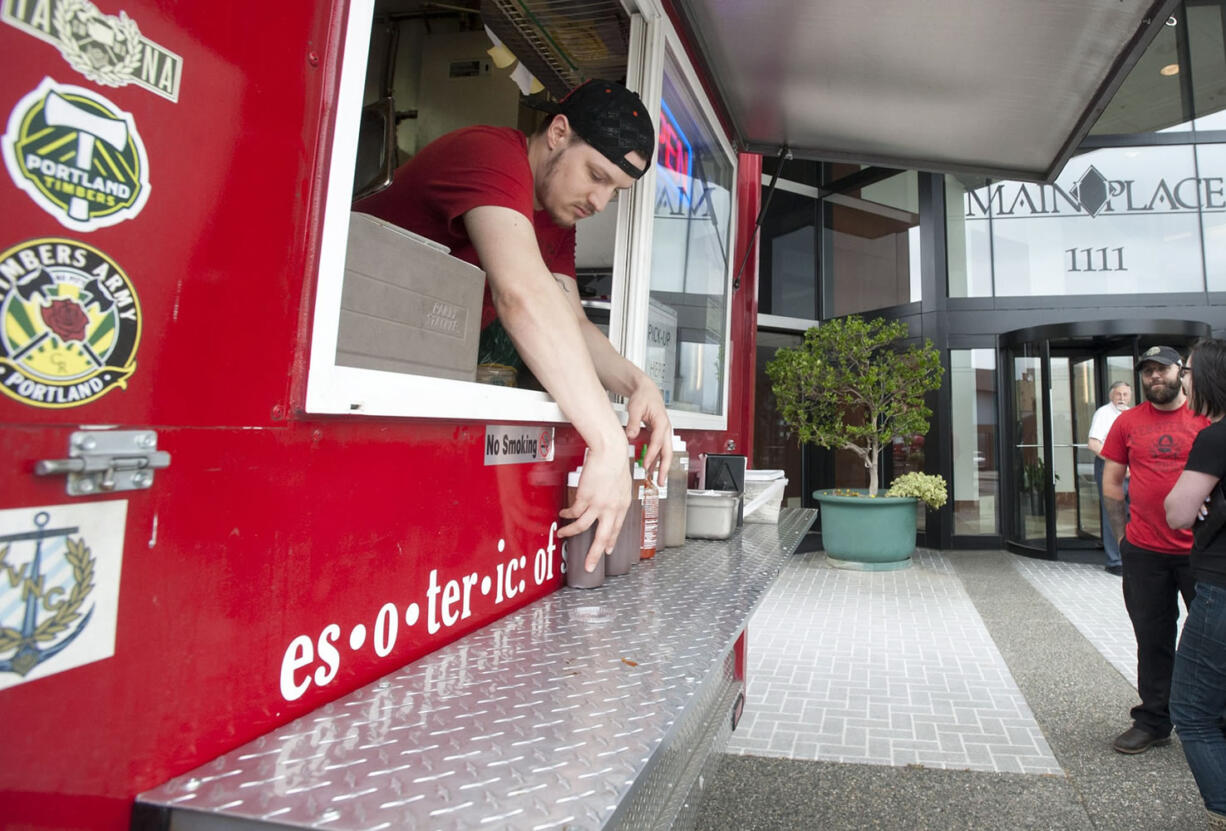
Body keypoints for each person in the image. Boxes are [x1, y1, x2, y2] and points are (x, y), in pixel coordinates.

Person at [357, 80, 671, 571]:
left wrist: (638, 384)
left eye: (616, 190)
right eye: (595, 175)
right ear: (558, 133)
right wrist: (608, 442)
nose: (600, 201)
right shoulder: (489, 154)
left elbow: (569, 322)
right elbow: (522, 296)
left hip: (403, 385)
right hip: (338, 360)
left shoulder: (556, 221)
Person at [1101, 345, 1210, 754]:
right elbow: (1112, 482)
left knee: (1211, 639)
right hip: (1145, 551)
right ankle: (1153, 720)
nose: (1154, 378)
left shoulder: (1206, 418)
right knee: (1153, 637)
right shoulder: (1128, 423)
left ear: (1181, 373)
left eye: (1161, 369)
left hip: (1201, 552)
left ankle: (1213, 717)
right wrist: (1123, 538)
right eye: (1147, 371)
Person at [1164, 338, 1226, 828]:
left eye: (1186, 370)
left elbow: (1179, 512)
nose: (1182, 377)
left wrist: (1197, 500)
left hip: (1221, 590)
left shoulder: (1215, 437)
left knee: (1193, 711)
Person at [1089, 381, 1132, 575]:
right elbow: (1094, 444)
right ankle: (1115, 561)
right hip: (1110, 467)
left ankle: (1131, 557)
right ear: (1111, 396)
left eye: (1125, 394)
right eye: (1118, 394)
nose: (1122, 398)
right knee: (1113, 512)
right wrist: (1118, 462)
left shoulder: (1131, 414)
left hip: (1132, 469)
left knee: (1132, 512)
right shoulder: (1103, 414)